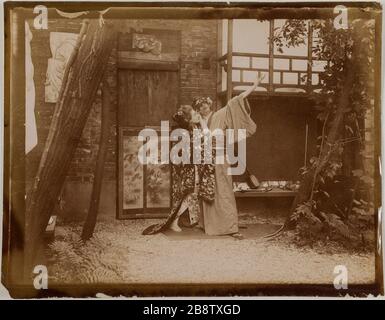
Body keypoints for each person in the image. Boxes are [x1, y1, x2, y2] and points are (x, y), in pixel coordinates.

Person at [194, 73, 264, 239]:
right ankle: (208, 223)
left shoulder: (220, 115)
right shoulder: (197, 122)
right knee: (207, 191)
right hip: (206, 160)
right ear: (197, 110)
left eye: (206, 106)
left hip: (219, 158)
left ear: (210, 106)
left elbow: (236, 100)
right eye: (200, 107)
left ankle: (227, 225)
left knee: (223, 190)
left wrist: (254, 85)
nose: (204, 109)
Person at [142, 105, 216, 235]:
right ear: (188, 119)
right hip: (187, 167)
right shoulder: (186, 131)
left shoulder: (194, 128)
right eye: (194, 114)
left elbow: (207, 136)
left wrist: (201, 122)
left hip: (193, 166)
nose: (198, 115)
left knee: (193, 193)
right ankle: (174, 221)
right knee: (188, 193)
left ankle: (189, 219)